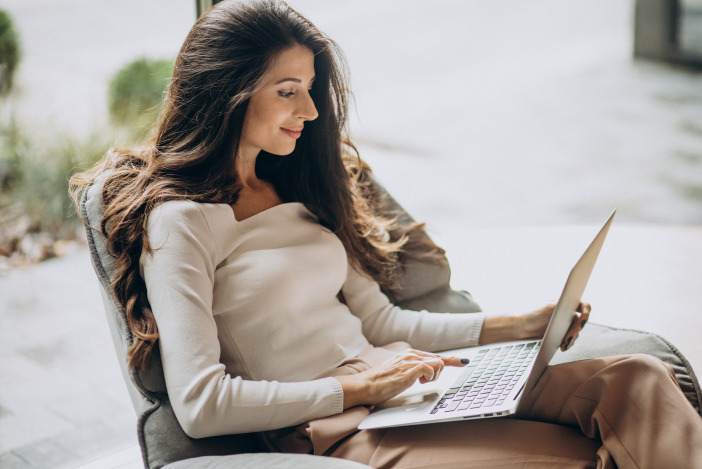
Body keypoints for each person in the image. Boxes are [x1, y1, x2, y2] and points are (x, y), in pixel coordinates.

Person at [71, 0, 702, 467]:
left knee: (637, 379)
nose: (311, 112)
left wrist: (524, 325)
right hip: (342, 424)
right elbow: (201, 403)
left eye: (311, 90)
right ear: (227, 95)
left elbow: (384, 324)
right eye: (288, 91)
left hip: (409, 385)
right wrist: (358, 388)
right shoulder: (180, 223)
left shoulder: (299, 191)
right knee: (568, 458)